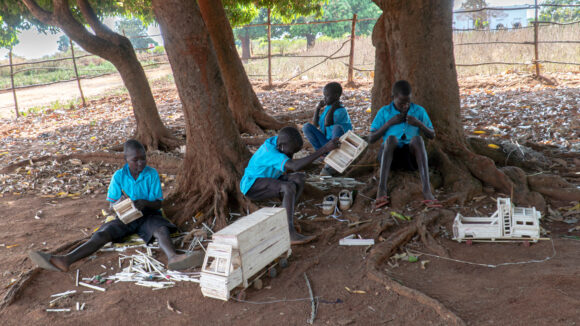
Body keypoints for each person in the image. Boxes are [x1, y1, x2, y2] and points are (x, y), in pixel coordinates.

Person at [29, 140, 197, 272]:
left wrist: (145, 203)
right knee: (103, 234)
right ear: (125, 160)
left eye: (143, 158)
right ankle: (66, 260)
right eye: (135, 160)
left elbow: (158, 203)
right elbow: (111, 206)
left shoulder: (151, 174)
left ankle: (173, 257)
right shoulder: (118, 176)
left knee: (161, 229)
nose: (140, 163)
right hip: (126, 217)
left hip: (148, 215)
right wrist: (121, 204)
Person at [240, 127, 339, 245]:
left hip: (269, 179)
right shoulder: (271, 152)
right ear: (281, 146)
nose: (291, 155)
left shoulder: (280, 142)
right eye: (290, 152)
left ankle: (288, 215)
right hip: (252, 185)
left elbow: (293, 167)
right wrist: (325, 149)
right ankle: (289, 232)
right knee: (288, 187)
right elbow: (294, 166)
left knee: (299, 177)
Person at [368, 80, 441, 208]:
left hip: (411, 160)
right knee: (391, 139)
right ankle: (381, 189)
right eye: (401, 103)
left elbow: (432, 135)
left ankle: (427, 191)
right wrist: (389, 123)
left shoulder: (418, 111)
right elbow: (371, 139)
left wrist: (418, 123)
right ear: (393, 97)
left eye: (408, 102)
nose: (405, 106)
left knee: (418, 139)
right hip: (390, 158)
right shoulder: (385, 112)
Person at [302, 82, 352, 176]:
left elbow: (328, 122)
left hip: (339, 146)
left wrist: (333, 108)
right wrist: (317, 108)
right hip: (327, 144)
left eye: (327, 96)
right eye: (324, 96)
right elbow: (315, 124)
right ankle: (322, 154)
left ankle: (332, 160)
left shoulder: (340, 110)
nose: (324, 99)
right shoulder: (327, 108)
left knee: (337, 128)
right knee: (306, 127)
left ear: (336, 96)